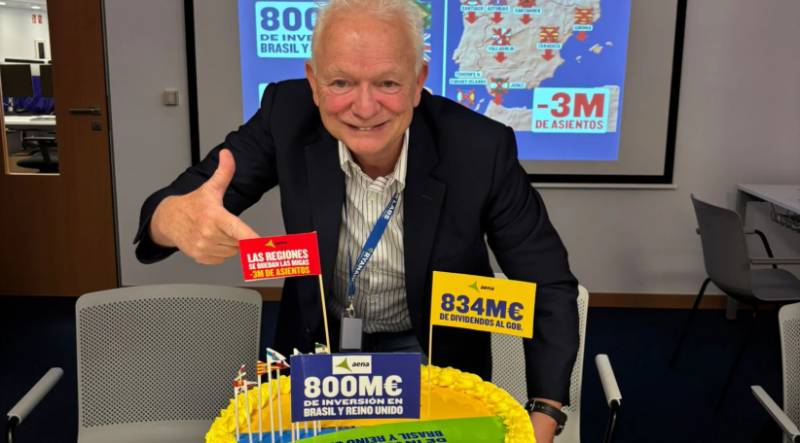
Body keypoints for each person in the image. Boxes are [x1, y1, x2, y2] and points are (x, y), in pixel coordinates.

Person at [135, 0, 578, 440]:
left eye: (387, 82)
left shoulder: (479, 148)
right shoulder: (285, 114)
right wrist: (172, 219)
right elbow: (176, 203)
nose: (364, 108)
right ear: (313, 82)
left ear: (418, 82)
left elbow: (547, 283)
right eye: (341, 82)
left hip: (430, 350)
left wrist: (545, 412)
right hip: (320, 346)